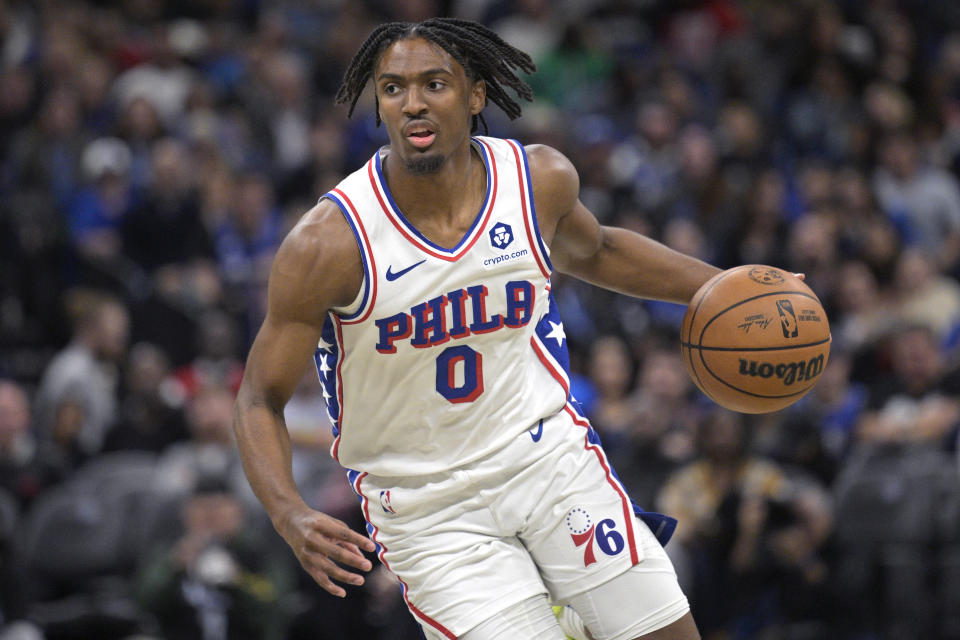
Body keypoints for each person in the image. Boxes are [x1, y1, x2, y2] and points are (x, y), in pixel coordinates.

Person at [234, 17, 719, 640]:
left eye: (434, 83)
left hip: (548, 460)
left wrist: (721, 286)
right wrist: (287, 513)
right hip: (428, 506)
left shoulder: (536, 180)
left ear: (476, 94)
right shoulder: (329, 242)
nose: (412, 103)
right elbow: (257, 397)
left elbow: (597, 251)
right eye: (392, 88)